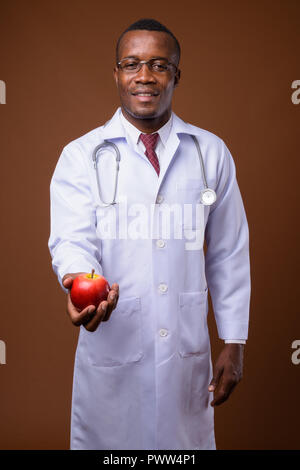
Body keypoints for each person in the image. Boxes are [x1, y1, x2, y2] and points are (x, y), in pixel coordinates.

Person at [48, 18, 251, 450]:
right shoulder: (81, 155)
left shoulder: (209, 152)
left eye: (159, 65)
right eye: (132, 64)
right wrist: (81, 282)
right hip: (113, 356)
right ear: (117, 74)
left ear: (177, 74)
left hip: (185, 357)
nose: (145, 76)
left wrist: (234, 340)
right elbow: (72, 239)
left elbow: (229, 252)